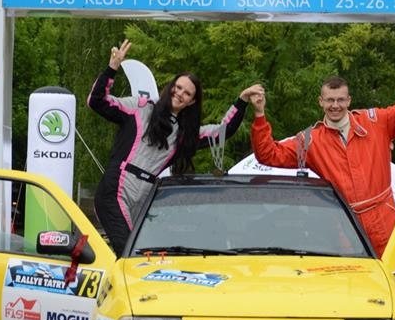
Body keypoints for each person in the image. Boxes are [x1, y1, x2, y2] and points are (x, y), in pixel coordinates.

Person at [250, 57, 395, 256]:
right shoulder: (310, 141)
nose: (335, 105)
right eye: (330, 100)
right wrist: (260, 115)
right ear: (321, 102)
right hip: (344, 233)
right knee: (351, 291)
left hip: (387, 228)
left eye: (340, 99)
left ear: (349, 100)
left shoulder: (376, 123)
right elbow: (269, 155)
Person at [88, 39, 264, 253]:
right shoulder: (140, 108)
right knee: (129, 252)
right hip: (116, 189)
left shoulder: (184, 135)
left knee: (142, 255)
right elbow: (97, 101)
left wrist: (242, 100)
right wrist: (112, 68)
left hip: (145, 196)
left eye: (187, 93)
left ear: (192, 102)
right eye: (178, 87)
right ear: (171, 87)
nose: (180, 94)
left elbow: (223, 131)